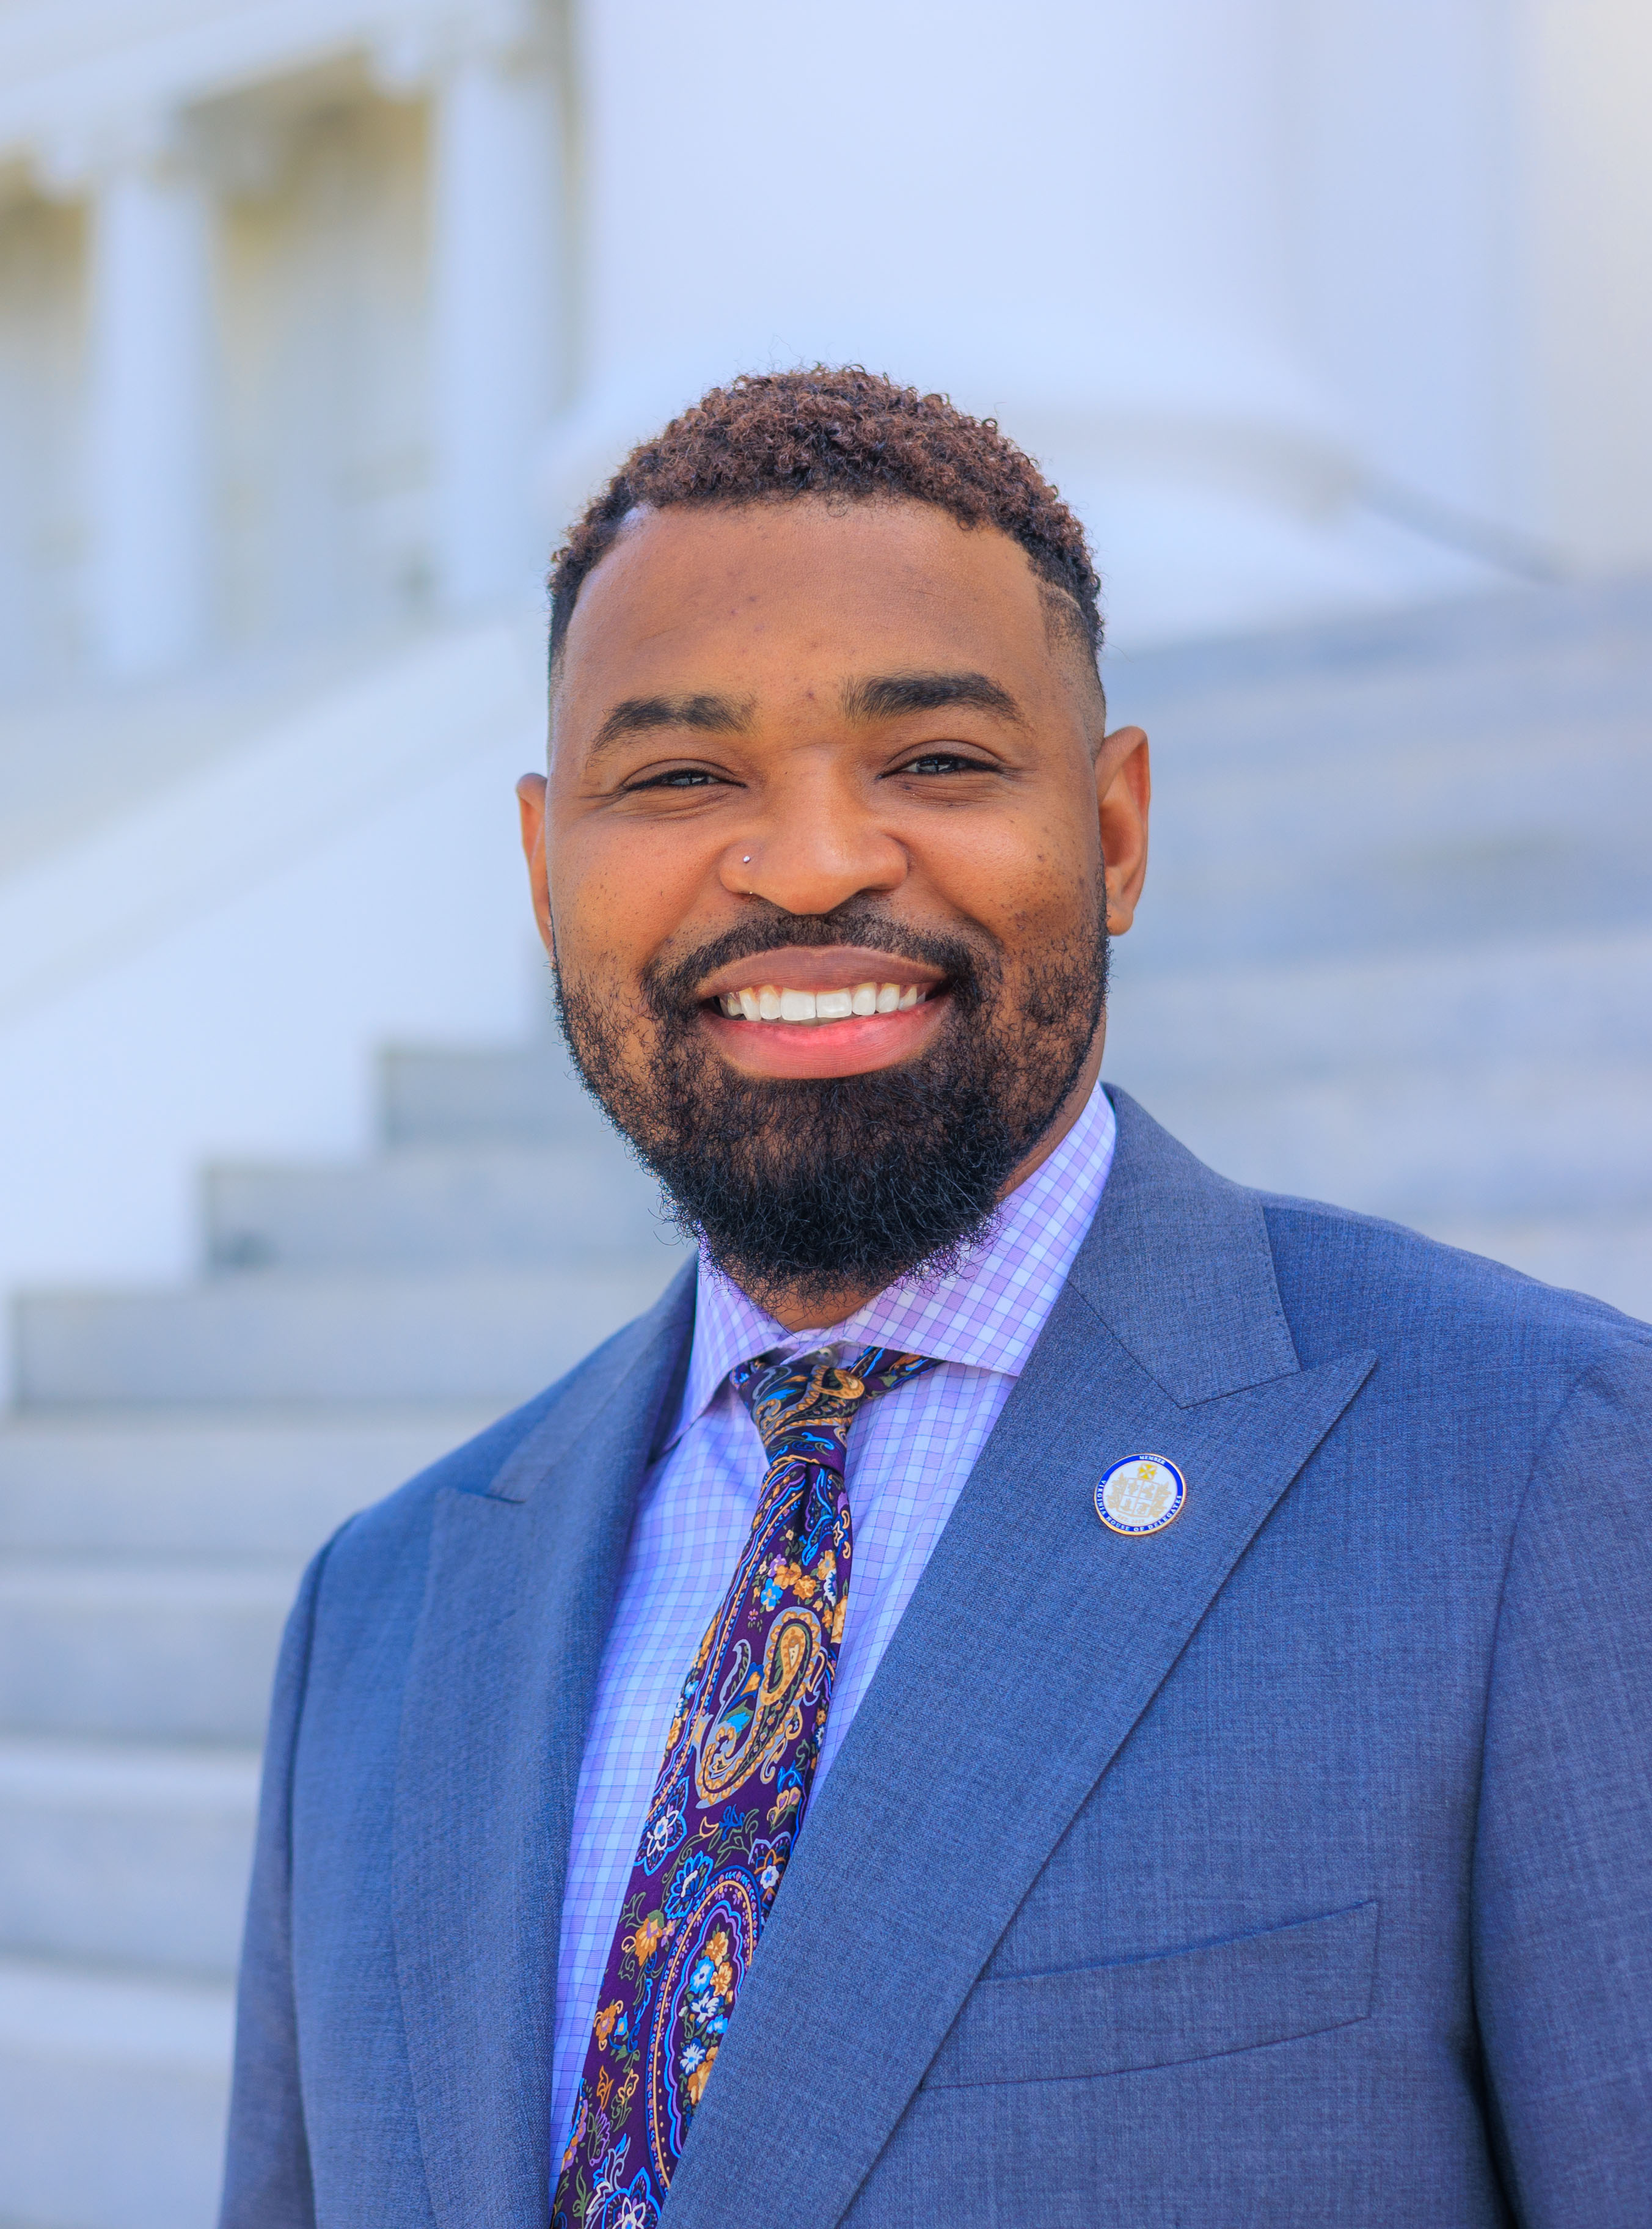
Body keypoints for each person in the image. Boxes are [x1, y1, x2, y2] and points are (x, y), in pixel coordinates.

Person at [219, 369, 1652, 2229]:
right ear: (543, 869)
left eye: (940, 762)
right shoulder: (381, 1608)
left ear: (1117, 831)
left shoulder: (1540, 1475)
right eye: (679, 778)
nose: (816, 863)